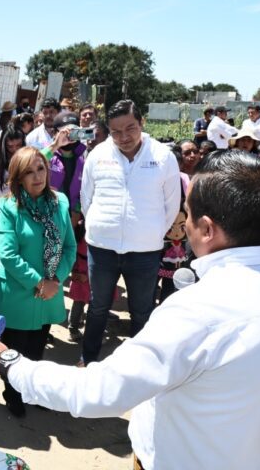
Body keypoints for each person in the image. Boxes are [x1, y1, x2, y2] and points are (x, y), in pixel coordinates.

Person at [0, 150, 260, 470]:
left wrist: (8, 362)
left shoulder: (197, 312)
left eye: (185, 213)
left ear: (206, 229)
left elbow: (98, 391)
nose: (180, 223)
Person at [80, 100, 180, 365]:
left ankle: (139, 366)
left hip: (145, 251)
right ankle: (88, 359)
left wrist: (153, 232)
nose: (124, 137)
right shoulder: (98, 155)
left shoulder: (162, 157)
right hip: (101, 248)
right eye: (115, 132)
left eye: (130, 128)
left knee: (141, 311)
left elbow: (171, 205)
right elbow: (86, 199)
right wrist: (102, 228)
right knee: (98, 307)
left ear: (141, 124)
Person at [0, 146, 76, 417]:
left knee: (37, 346)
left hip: (49, 293)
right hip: (19, 293)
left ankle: (32, 391)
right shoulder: (8, 206)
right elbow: (7, 255)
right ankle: (12, 393)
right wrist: (40, 282)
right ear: (18, 177)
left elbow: (70, 247)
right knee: (15, 350)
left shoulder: (59, 202)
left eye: (40, 168)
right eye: (28, 172)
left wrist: (56, 280)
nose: (37, 176)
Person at [0, 129, 26, 297]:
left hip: (19, 208)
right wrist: (5, 185)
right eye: (11, 146)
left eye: (18, 145)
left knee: (16, 249)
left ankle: (13, 285)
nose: (14, 149)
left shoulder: (26, 157)